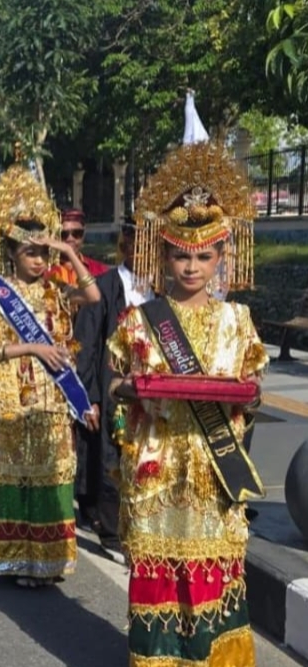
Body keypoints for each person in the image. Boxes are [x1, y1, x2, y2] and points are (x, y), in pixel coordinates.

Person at [108, 92, 266, 666]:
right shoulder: (139, 321)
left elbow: (251, 391)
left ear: (224, 254)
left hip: (212, 468)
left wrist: (246, 398)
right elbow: (116, 386)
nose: (192, 267)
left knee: (212, 572)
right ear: (161, 253)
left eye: (204, 255)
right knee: (159, 573)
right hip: (157, 466)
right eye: (180, 255)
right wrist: (134, 390)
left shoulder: (239, 321)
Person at [0, 162, 100, 588]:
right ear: (12, 251)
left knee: (51, 477)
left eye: (43, 253)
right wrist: (31, 346)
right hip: (13, 401)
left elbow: (94, 296)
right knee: (17, 480)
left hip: (52, 400)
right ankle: (16, 560)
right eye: (32, 252)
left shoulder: (55, 291)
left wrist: (68, 253)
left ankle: (47, 561)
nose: (40, 260)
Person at [73, 220, 149, 563]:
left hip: (150, 389)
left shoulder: (163, 291)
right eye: (135, 240)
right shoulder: (106, 286)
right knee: (109, 454)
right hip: (113, 383)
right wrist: (88, 395)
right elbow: (86, 345)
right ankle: (110, 531)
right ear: (125, 244)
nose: (142, 249)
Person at [47, 209, 109, 285]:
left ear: (84, 234)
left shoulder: (100, 270)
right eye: (63, 234)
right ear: (54, 236)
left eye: (77, 233)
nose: (70, 239)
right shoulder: (44, 270)